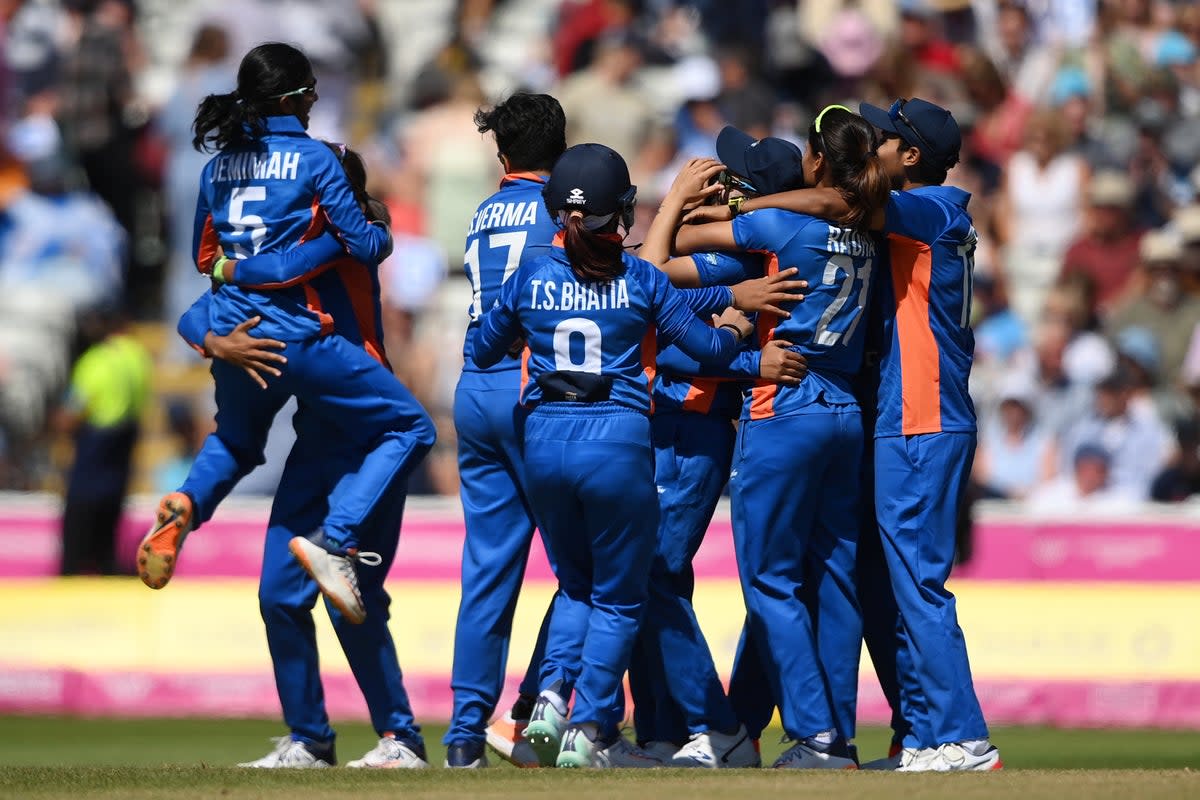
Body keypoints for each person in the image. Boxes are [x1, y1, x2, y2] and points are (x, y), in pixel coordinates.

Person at [693, 97, 1003, 771]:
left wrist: (745, 210)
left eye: (886, 142)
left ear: (911, 159)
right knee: (872, 580)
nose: (875, 153)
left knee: (915, 584)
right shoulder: (908, 216)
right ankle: (920, 733)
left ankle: (962, 736)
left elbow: (841, 204)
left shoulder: (935, 208)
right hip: (890, 415)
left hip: (922, 416)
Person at [471, 143, 754, 769]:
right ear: (619, 215)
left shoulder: (530, 276)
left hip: (544, 443)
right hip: (618, 447)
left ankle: (548, 703)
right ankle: (590, 731)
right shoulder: (643, 278)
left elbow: (483, 348)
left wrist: (530, 330)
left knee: (575, 587)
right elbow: (708, 349)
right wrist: (740, 328)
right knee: (623, 598)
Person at [136, 43, 433, 626]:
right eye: (313, 92)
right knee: (411, 426)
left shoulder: (216, 166)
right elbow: (367, 246)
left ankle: (187, 504)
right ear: (297, 98)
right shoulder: (318, 160)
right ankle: (338, 538)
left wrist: (232, 278)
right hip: (298, 334)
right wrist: (345, 237)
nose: (317, 100)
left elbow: (205, 258)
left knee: (234, 443)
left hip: (232, 334)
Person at [173, 143, 432, 770]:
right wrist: (215, 327)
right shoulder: (300, 243)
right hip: (320, 431)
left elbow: (240, 279)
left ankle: (401, 740)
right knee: (278, 596)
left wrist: (224, 278)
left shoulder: (344, 236)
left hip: (367, 434)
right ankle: (311, 739)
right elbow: (214, 302)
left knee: (354, 592)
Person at [665, 106, 889, 769]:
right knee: (835, 579)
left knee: (770, 582)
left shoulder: (774, 224)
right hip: (845, 410)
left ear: (816, 164)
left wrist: (702, 198)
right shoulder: (869, 232)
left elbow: (677, 243)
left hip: (783, 404)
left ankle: (814, 736)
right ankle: (838, 737)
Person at [629, 138, 810, 768]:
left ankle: (717, 726)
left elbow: (650, 308)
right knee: (658, 577)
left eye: (724, 181)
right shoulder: (728, 266)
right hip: (667, 425)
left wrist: (676, 203)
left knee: (650, 576)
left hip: (692, 427)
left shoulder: (742, 265)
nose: (712, 187)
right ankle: (659, 731)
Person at [444, 92, 565, 770]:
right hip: (532, 386)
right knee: (587, 565)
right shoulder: (562, 208)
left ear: (503, 154)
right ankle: (531, 711)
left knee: (488, 568)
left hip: (475, 384)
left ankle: (465, 734)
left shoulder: (486, 209)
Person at [57, 303, 151, 575]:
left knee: (78, 535)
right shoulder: (137, 355)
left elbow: (73, 412)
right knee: (109, 531)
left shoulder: (96, 359)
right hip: (123, 449)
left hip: (94, 448)